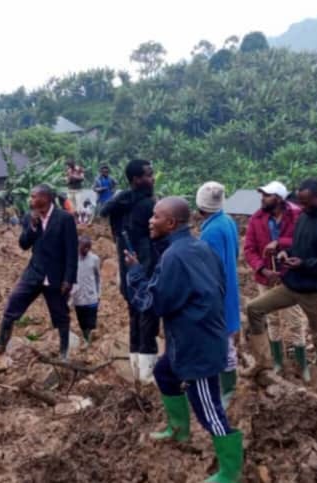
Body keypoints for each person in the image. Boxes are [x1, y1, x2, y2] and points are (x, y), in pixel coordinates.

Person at [126, 197, 242, 483]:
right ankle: (178, 429)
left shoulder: (175, 257)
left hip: (197, 345)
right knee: (164, 373)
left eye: (155, 216)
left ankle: (230, 472)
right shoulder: (199, 247)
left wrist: (135, 273)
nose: (150, 221)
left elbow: (155, 303)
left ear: (170, 223)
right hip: (196, 337)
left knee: (208, 407)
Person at [246, 179, 317, 389]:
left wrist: (304, 263)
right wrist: (287, 253)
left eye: (306, 202)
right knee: (254, 308)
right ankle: (264, 361)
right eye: (300, 202)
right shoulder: (303, 217)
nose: (302, 206)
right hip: (293, 284)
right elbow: (298, 247)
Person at [0, 184, 79, 360]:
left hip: (56, 275)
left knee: (61, 314)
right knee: (13, 302)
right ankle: (1, 342)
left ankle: (64, 353)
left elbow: (72, 251)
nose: (31, 200)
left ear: (46, 198)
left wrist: (69, 279)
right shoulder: (29, 217)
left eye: (34, 196)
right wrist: (32, 227)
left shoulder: (64, 218)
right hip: (34, 272)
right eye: (31, 196)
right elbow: (23, 244)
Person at [99, 159, 158, 383]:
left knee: (134, 316)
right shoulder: (147, 206)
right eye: (148, 175)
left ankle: (136, 368)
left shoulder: (119, 204)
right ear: (136, 179)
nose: (152, 179)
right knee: (148, 318)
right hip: (146, 269)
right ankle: (147, 374)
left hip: (127, 270)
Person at [243, 181, 308, 379]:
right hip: (266, 278)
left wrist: (279, 242)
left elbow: (305, 241)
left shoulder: (297, 215)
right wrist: (262, 269)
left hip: (291, 276)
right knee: (272, 320)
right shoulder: (256, 218)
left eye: (267, 195)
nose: (262, 199)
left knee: (295, 320)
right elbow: (249, 249)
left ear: (279, 199)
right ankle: (278, 362)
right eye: (262, 195)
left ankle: (302, 365)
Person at [195, 182, 241, 407]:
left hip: (218, 294)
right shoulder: (228, 221)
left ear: (199, 208)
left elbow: (209, 270)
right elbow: (236, 253)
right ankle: (227, 387)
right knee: (226, 337)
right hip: (230, 289)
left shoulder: (210, 232)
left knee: (222, 342)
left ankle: (228, 389)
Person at [72, 236, 101, 345]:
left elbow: (98, 278)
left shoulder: (94, 259)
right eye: (84, 247)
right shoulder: (73, 259)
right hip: (78, 297)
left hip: (92, 296)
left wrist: (99, 294)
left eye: (88, 247)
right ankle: (86, 340)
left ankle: (91, 343)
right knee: (82, 323)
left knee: (91, 323)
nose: (86, 249)